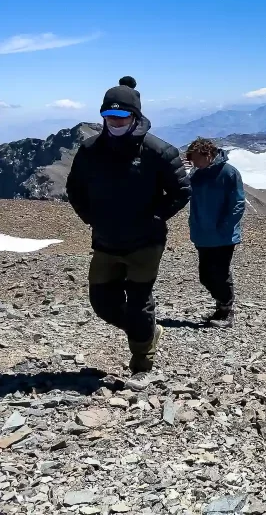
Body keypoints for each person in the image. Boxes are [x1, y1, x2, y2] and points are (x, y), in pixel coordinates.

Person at [66, 77, 191, 373]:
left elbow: (181, 191)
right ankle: (146, 331)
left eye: (121, 116)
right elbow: (75, 189)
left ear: (134, 116)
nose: (115, 121)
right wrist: (92, 218)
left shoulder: (159, 151)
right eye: (109, 116)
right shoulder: (90, 150)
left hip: (145, 243)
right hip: (106, 241)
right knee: (102, 303)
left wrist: (155, 217)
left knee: (138, 302)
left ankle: (141, 359)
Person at [185, 137, 246, 327]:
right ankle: (221, 308)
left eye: (196, 158)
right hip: (203, 235)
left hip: (223, 236)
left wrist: (225, 227)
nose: (194, 163)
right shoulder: (197, 175)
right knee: (205, 275)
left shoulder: (228, 173)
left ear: (208, 154)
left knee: (219, 273)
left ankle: (227, 312)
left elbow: (237, 203)